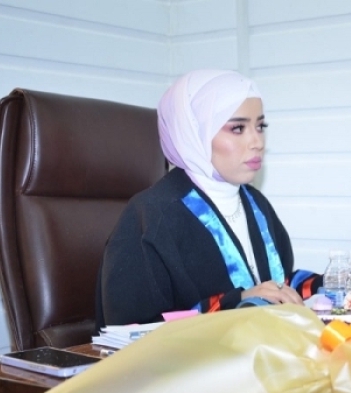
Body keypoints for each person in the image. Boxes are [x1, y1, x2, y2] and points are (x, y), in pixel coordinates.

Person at [95, 70, 322, 329]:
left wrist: (330, 285)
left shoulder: (255, 203)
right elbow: (133, 331)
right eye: (238, 128)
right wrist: (236, 302)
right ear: (194, 133)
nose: (257, 142)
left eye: (260, 126)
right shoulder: (150, 216)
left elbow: (274, 287)